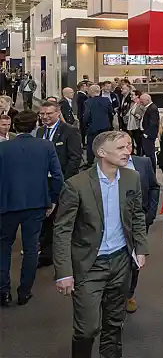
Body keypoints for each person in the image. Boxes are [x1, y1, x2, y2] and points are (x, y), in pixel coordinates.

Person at [53, 131, 148, 357]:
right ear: (101, 153)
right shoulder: (75, 185)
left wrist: (141, 248)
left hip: (121, 262)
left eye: (128, 147)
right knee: (87, 329)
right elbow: (62, 231)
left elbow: (136, 215)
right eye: (121, 148)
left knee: (114, 325)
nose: (128, 152)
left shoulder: (131, 178)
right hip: (89, 266)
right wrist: (64, 272)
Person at [0, 110, 63, 307]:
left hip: (6, 204)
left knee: (3, 248)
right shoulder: (46, 146)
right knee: (30, 249)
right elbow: (57, 176)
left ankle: (3, 292)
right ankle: (24, 292)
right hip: (37, 204)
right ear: (35, 125)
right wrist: (52, 200)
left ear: (13, 127)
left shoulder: (3, 148)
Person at [35, 100, 83, 268]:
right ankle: (46, 254)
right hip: (43, 182)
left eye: (49, 114)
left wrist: (64, 181)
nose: (45, 117)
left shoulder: (70, 131)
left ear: (57, 113)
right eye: (42, 114)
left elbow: (75, 158)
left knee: (62, 218)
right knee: (45, 218)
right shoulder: (40, 132)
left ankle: (65, 256)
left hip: (63, 181)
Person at [124, 152, 159, 314]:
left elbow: (154, 187)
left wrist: (150, 214)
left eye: (128, 144)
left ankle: (129, 294)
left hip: (139, 221)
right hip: (115, 222)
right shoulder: (105, 164)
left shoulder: (143, 163)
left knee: (135, 259)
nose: (125, 149)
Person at [84, 85, 114, 163]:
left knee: (91, 144)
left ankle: (90, 162)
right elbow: (111, 112)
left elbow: (87, 115)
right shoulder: (106, 100)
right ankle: (107, 160)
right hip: (105, 126)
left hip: (93, 126)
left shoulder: (88, 102)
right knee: (105, 144)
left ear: (91, 92)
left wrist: (86, 124)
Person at [138, 93, 159, 169]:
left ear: (148, 100)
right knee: (147, 153)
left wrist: (146, 134)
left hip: (148, 135)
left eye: (142, 100)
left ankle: (152, 171)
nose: (141, 102)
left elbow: (153, 123)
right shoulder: (148, 107)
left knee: (150, 154)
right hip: (145, 134)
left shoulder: (152, 108)